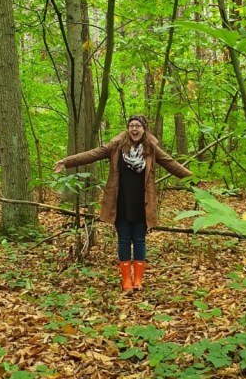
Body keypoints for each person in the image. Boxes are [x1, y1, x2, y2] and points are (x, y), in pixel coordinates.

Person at [54, 115, 194, 293]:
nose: (134, 129)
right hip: (120, 201)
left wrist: (195, 180)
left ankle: (138, 280)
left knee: (140, 240)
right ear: (128, 129)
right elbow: (92, 154)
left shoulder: (151, 148)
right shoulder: (116, 146)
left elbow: (171, 164)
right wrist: (66, 162)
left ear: (144, 129)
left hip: (142, 203)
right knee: (124, 240)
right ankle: (126, 280)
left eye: (138, 126)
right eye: (131, 125)